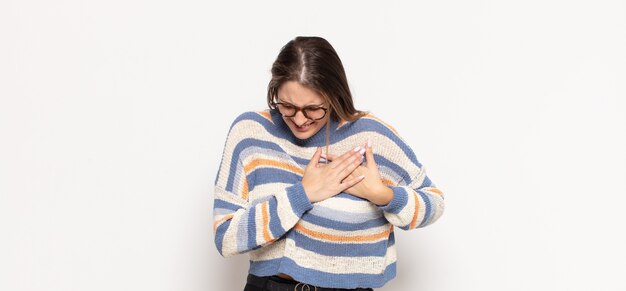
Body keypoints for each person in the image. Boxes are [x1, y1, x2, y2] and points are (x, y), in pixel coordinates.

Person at [212, 36, 445, 291]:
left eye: (313, 108)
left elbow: (434, 203)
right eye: (287, 106)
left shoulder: (371, 137)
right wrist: (304, 194)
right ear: (274, 93)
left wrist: (382, 195)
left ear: (334, 96)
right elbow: (226, 237)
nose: (299, 119)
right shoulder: (251, 133)